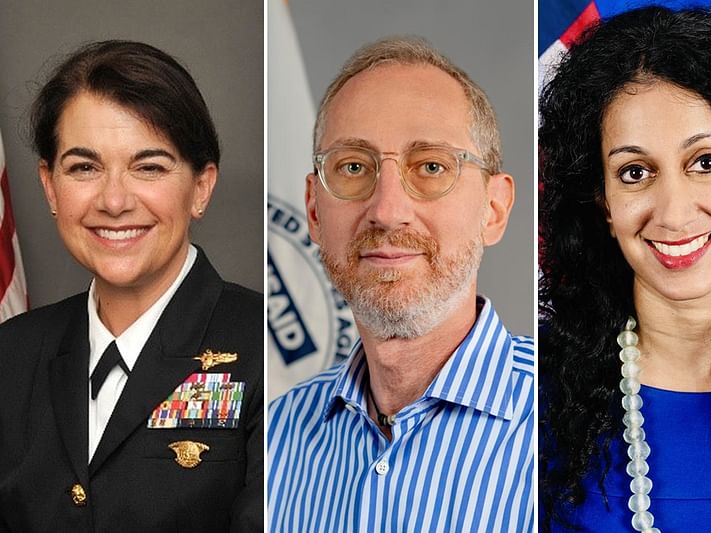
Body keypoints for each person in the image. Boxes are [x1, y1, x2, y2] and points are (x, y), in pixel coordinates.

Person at [539, 6, 711, 532]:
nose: (674, 213)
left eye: (706, 161)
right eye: (635, 172)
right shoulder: (530, 397)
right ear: (605, 204)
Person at [268, 37, 533, 532]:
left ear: (494, 210)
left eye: (431, 167)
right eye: (353, 168)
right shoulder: (274, 439)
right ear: (312, 211)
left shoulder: (562, 419)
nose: (387, 211)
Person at [0, 41, 263, 532]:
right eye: (84, 167)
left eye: (149, 167)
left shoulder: (265, 354)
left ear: (201, 188)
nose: (115, 200)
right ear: (50, 187)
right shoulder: (11, 354)